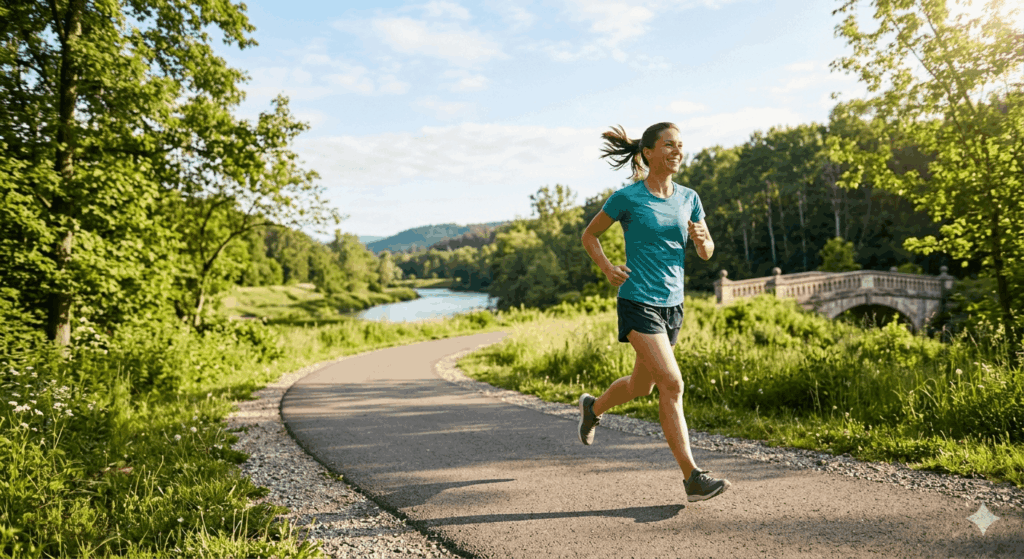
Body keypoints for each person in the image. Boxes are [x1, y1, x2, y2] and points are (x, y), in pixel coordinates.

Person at [577, 122, 730, 503]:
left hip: (673, 305)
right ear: (648, 152)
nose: (677, 151)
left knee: (640, 386)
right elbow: (589, 235)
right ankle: (693, 478)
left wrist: (703, 241)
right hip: (637, 301)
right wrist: (607, 268)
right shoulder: (627, 198)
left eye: (680, 145)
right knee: (672, 384)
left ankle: (593, 408)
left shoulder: (689, 198)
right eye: (668, 145)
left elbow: (706, 251)